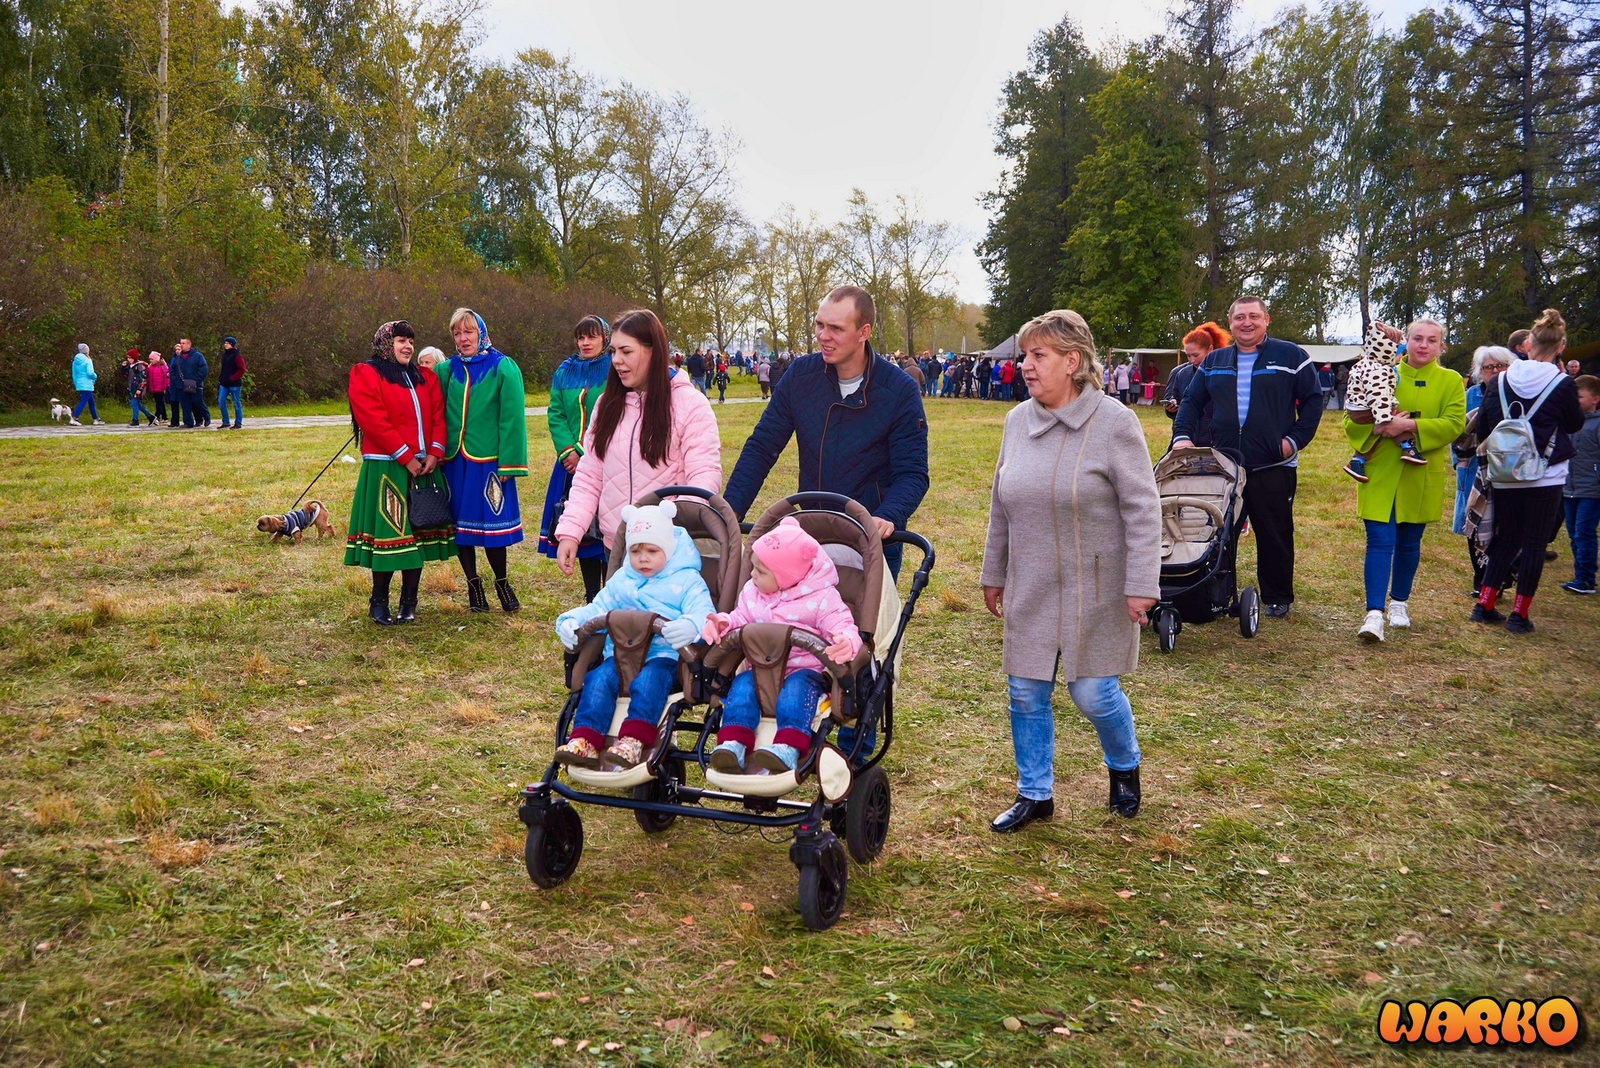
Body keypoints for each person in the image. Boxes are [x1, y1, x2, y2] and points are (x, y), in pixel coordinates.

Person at [980, 309, 1160, 833]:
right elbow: (1000, 505)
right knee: (1025, 691)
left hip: (1099, 585)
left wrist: (1141, 584)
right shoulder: (1016, 422)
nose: (1026, 366)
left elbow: (1143, 509)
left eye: (1039, 355)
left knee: (1093, 693)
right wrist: (995, 571)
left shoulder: (1115, 422)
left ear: (1072, 361)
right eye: (1025, 355)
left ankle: (1124, 766)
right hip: (1031, 581)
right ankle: (1034, 794)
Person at [724, 285, 929, 579]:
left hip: (869, 539)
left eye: (836, 328)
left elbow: (912, 473)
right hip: (812, 531)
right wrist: (731, 509)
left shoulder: (899, 390)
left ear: (864, 332)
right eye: (819, 325)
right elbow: (762, 447)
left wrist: (887, 515)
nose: (823, 335)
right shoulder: (799, 376)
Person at [1173, 295, 1323, 617]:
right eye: (1240, 317)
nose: (1247, 322)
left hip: (1273, 465)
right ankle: (1216, 595)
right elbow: (1191, 401)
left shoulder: (1291, 356)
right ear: (1230, 323)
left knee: (1274, 533)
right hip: (1226, 466)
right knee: (1218, 534)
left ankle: (1277, 597)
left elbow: (1313, 400)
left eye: (1254, 316)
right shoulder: (1214, 361)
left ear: (1266, 319)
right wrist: (1182, 436)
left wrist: (1292, 441)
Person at [554, 308, 723, 579]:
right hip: (616, 546)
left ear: (653, 351)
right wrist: (571, 532)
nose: (616, 360)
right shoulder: (606, 405)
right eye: (613, 351)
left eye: (626, 351)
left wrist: (666, 527)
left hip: (667, 551)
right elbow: (590, 475)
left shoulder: (690, 404)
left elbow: (703, 478)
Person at [553, 501, 714, 770]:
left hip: (664, 656)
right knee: (598, 680)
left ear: (669, 548)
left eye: (652, 550)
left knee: (649, 683)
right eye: (635, 551)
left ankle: (634, 739)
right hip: (620, 655)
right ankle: (586, 739)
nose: (643, 558)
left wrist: (690, 626)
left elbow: (704, 613)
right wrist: (572, 621)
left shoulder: (687, 581)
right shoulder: (622, 580)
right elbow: (598, 608)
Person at [703, 516, 863, 773]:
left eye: (760, 571)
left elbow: (842, 624)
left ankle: (788, 747)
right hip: (761, 670)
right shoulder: (753, 592)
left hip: (805, 671)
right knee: (741, 688)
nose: (752, 575)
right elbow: (740, 617)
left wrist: (846, 641)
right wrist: (724, 623)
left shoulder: (821, 599)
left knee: (795, 695)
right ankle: (733, 743)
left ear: (786, 576)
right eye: (753, 567)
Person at [1343, 319, 1466, 642]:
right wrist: (1379, 427)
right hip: (1379, 470)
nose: (1423, 345)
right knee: (1379, 541)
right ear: (1405, 341)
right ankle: (1374, 614)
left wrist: (1410, 427)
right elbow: (1350, 414)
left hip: (1420, 473)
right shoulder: (1381, 369)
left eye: (1431, 340)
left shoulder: (1451, 380)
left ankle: (1399, 602)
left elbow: (1454, 424)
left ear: (1441, 346)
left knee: (1409, 543)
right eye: (1417, 338)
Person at [1473, 309, 1585, 632]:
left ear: (1527, 345)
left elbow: (1483, 427)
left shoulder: (1500, 380)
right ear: (1560, 347)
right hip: (1546, 472)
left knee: (1506, 538)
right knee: (1534, 543)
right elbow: (1574, 423)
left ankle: (1485, 604)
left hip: (1506, 470)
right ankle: (1519, 615)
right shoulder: (1562, 383)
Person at [344, 320, 455, 624]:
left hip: (424, 467)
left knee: (415, 535)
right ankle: (378, 601)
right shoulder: (366, 373)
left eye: (410, 341)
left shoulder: (424, 377)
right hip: (387, 466)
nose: (408, 346)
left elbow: (438, 416)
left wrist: (434, 453)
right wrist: (405, 456)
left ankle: (409, 601)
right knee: (390, 535)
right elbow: (373, 419)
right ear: (385, 344)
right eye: (401, 341)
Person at [436, 307, 529, 613]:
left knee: (493, 528)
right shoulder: (446, 370)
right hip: (454, 460)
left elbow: (512, 418)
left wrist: (510, 462)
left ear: (481, 332)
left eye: (469, 332)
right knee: (461, 527)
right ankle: (473, 586)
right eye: (457, 333)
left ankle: (502, 582)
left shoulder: (503, 367)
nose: (463, 338)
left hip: (489, 460)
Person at [539, 315, 613, 602]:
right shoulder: (564, 371)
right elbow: (556, 413)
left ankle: (611, 593)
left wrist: (583, 451)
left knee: (606, 528)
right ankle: (592, 594)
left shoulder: (614, 368)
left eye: (591, 337)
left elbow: (612, 411)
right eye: (581, 337)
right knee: (583, 532)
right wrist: (568, 451)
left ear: (604, 338)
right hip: (569, 466)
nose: (585, 343)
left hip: (606, 459)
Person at [1342, 322, 1428, 481]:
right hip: (1366, 409)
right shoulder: (1378, 370)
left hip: (1356, 407)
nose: (1401, 357)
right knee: (1398, 421)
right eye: (1399, 352)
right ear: (1387, 351)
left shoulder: (1366, 363)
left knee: (1378, 434)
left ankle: (1357, 461)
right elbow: (1378, 394)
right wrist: (1385, 419)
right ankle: (1408, 448)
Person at [1560, 375, 1600, 595]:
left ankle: (1586, 579)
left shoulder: (1597, 424)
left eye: (1580, 397)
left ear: (1595, 399)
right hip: (1569, 488)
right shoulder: (1568, 422)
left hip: (1591, 491)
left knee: (1584, 532)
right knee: (1574, 533)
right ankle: (1580, 576)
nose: (1575, 401)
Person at [1165, 322, 1229, 444]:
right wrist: (1172, 407)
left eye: (1196, 355)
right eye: (1188, 356)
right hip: (1188, 440)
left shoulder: (1225, 373)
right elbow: (1175, 400)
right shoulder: (1181, 374)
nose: (1192, 360)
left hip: (1217, 441)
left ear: (1210, 349)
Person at [174, 338, 210, 428]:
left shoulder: (198, 356)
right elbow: (173, 370)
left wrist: (196, 380)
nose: (181, 345)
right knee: (185, 404)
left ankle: (206, 417)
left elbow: (203, 369)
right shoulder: (177, 358)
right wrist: (176, 379)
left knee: (197, 402)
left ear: (189, 345)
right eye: (181, 343)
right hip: (182, 385)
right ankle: (188, 422)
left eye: (183, 343)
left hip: (195, 384)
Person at [68, 343, 102, 425]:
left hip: (80, 383)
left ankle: (95, 419)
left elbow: (74, 374)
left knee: (91, 401)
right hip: (87, 384)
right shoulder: (88, 360)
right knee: (83, 401)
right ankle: (74, 418)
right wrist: (95, 376)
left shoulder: (75, 362)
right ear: (86, 351)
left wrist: (76, 383)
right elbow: (90, 373)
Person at [216, 336, 245, 429]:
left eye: (227, 343)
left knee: (236, 403)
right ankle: (225, 422)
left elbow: (242, 369)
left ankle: (238, 423)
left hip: (234, 383)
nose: (225, 345)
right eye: (225, 343)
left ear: (232, 344)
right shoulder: (224, 355)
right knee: (221, 401)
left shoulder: (237, 356)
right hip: (224, 383)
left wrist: (233, 378)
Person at [125, 349, 156, 426]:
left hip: (138, 388)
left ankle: (135, 420)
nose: (128, 359)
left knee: (134, 403)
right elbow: (126, 375)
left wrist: (140, 388)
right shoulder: (130, 366)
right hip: (131, 387)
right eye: (127, 358)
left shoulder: (140, 366)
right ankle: (150, 417)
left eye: (130, 358)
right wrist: (123, 367)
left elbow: (143, 379)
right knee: (137, 404)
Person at [145, 350, 170, 425]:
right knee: (160, 402)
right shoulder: (151, 367)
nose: (150, 361)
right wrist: (147, 368)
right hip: (154, 387)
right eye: (150, 359)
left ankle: (157, 416)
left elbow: (166, 378)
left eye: (152, 359)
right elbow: (147, 375)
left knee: (159, 403)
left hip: (161, 387)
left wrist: (165, 387)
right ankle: (164, 416)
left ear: (156, 359)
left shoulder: (163, 367)